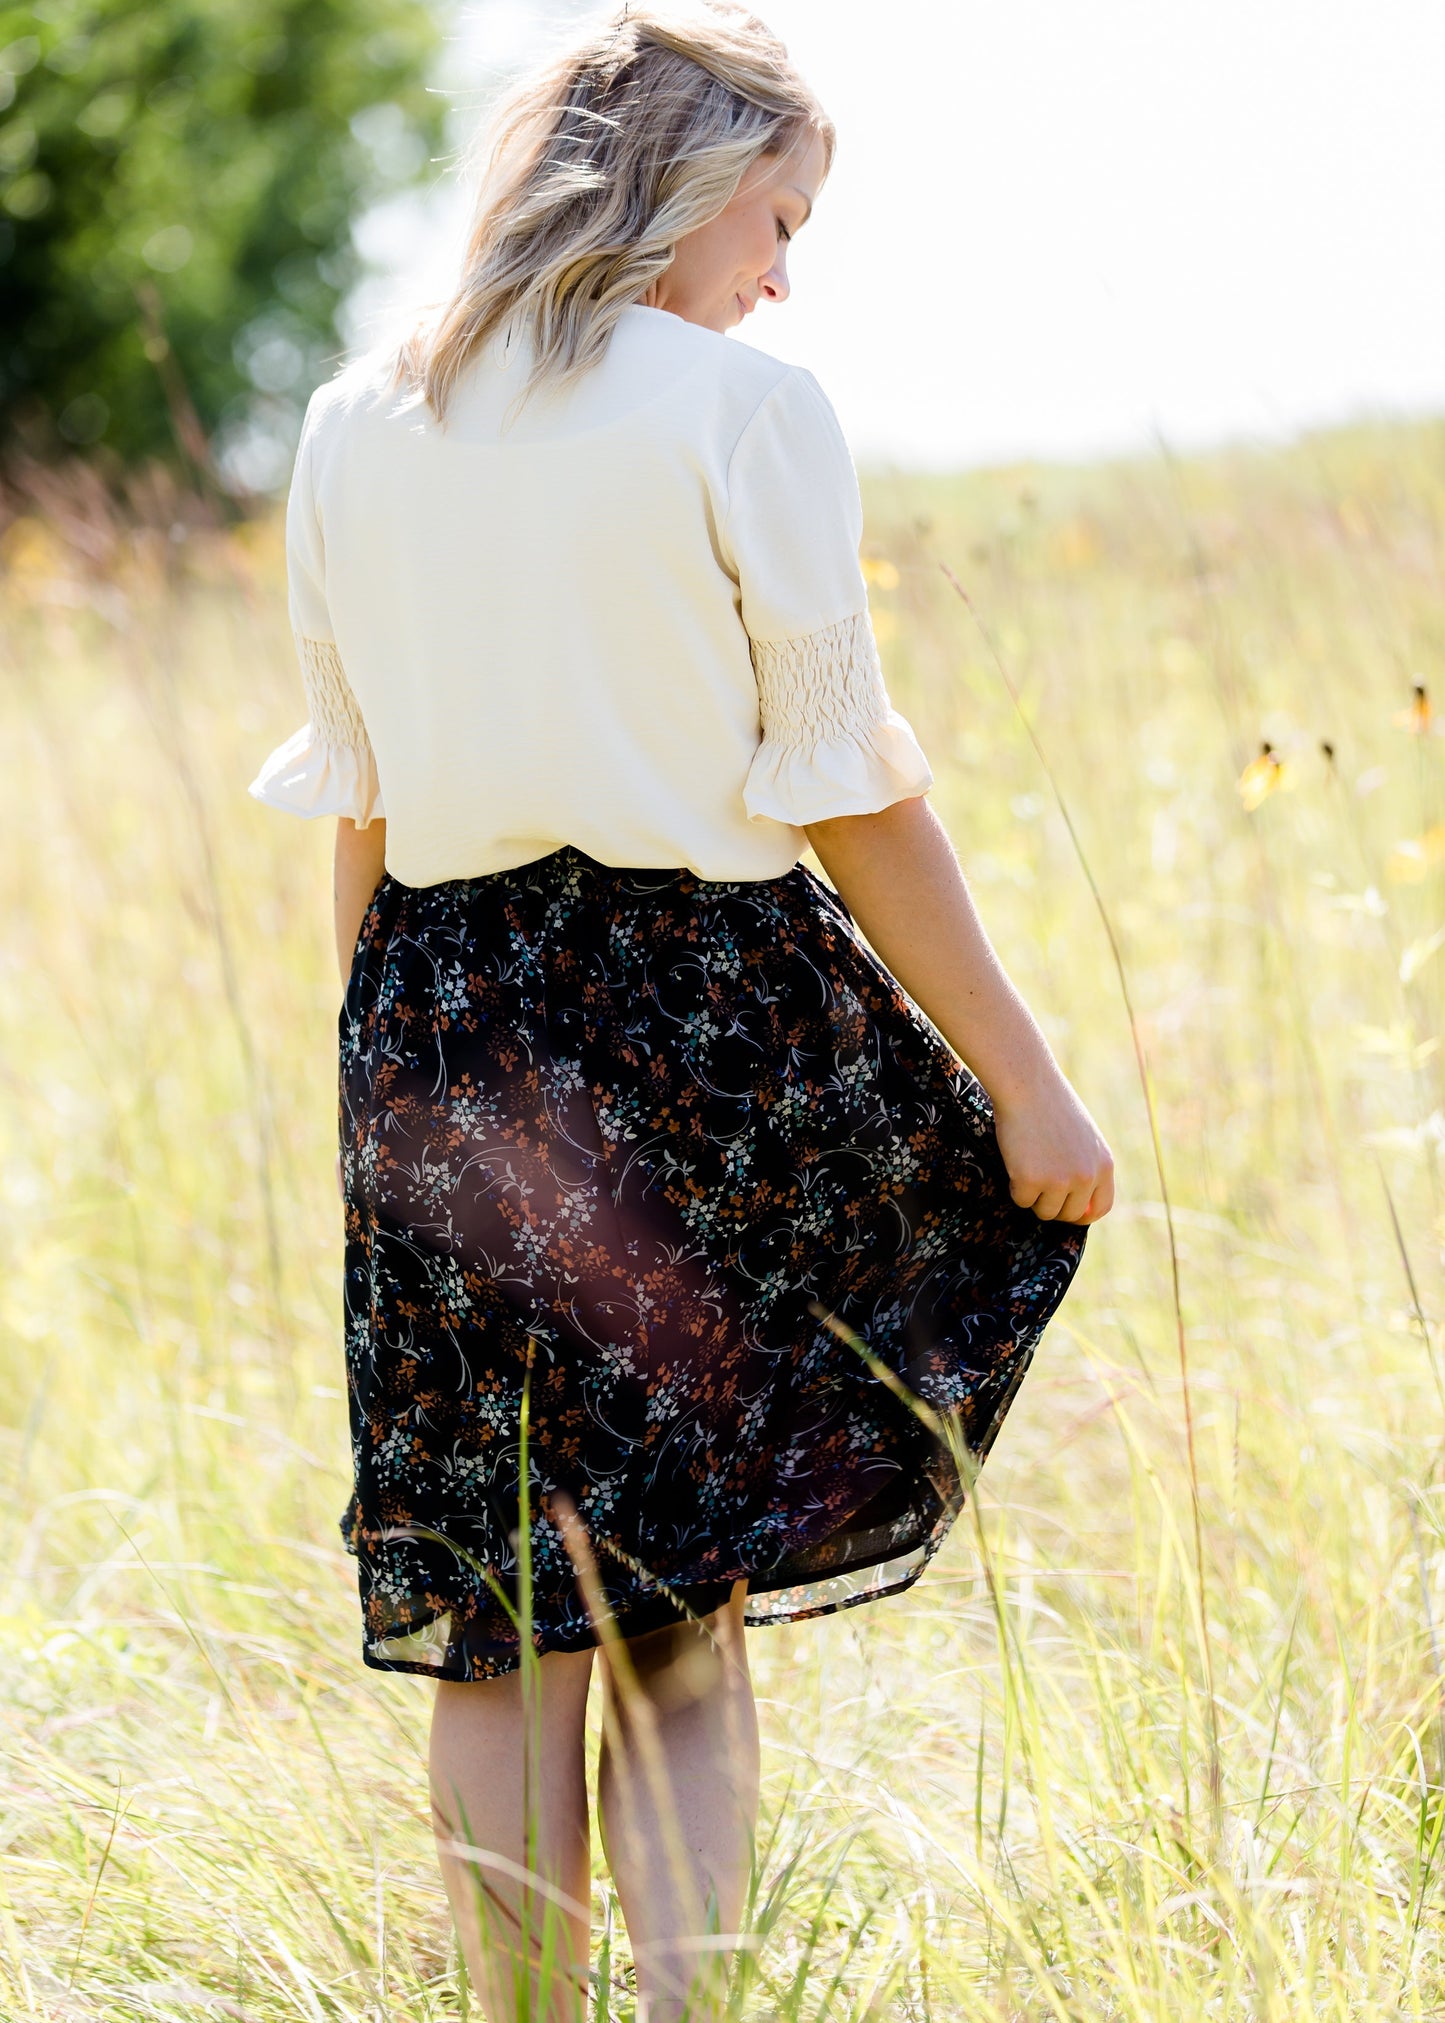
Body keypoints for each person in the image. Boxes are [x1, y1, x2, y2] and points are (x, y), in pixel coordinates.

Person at [249, 5, 1112, 2016]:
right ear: (695, 173)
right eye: (782, 214)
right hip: (690, 1022)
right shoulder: (739, 406)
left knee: (494, 1611)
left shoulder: (355, 413)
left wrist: (374, 1093)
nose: (784, 272)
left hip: (437, 1029)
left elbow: (357, 807)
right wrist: (1030, 1080)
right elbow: (851, 786)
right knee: (674, 1621)